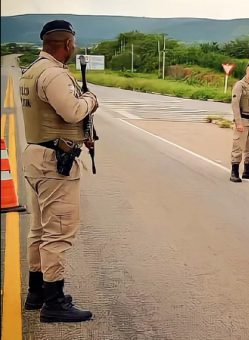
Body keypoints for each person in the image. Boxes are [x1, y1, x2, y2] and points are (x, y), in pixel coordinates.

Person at [19, 19, 99, 323]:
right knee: (59, 231)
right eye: (73, 42)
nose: (74, 47)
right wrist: (91, 100)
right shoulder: (54, 75)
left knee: (39, 230)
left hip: (37, 155)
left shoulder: (32, 71)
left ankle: (36, 291)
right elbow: (73, 110)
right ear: (67, 44)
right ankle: (54, 301)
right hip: (55, 163)